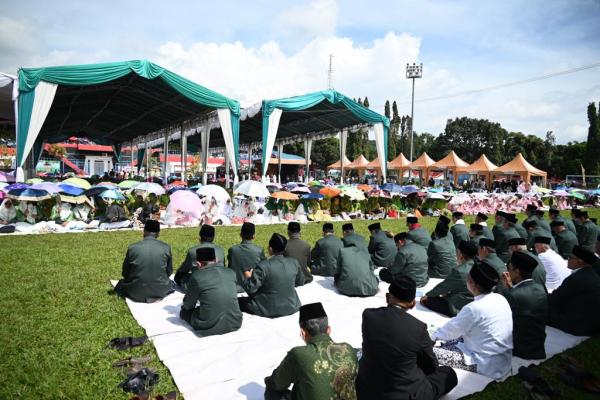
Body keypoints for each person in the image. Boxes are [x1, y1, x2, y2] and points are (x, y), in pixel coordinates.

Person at [357, 276, 458, 400]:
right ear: (412, 303)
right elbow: (431, 367)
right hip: (401, 394)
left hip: (366, 389)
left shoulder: (368, 315)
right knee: (448, 373)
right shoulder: (417, 328)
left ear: (387, 297)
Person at [432, 261, 513, 379]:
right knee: (453, 338)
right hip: (504, 362)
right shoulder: (500, 298)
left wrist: (432, 338)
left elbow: (450, 331)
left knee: (429, 351)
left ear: (472, 283)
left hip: (484, 364)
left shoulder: (473, 308)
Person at [264, 302, 358, 400]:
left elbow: (277, 383)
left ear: (303, 333)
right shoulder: (348, 349)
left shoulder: (299, 355)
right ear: (329, 330)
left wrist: (268, 381)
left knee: (272, 392)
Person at [179, 247, 243, 336]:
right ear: (216, 259)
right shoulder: (230, 272)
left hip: (208, 325)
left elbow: (188, 305)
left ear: (198, 264)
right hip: (236, 322)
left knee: (184, 312)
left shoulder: (197, 276)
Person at [239, 233, 303, 318]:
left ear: (270, 248)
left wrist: (248, 277)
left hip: (267, 308)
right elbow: (300, 281)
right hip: (292, 306)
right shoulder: (294, 262)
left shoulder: (263, 266)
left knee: (239, 301)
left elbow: (250, 288)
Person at [498, 252, 548, 360]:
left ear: (517, 272)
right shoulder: (540, 288)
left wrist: (506, 290)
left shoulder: (513, 295)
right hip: (538, 343)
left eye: (510, 269)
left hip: (520, 348)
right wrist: (510, 288)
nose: (508, 271)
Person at [115, 220, 174, 303]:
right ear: (158, 233)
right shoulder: (166, 247)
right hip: (161, 291)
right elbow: (169, 272)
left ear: (144, 231)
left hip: (135, 292)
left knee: (121, 284)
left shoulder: (133, 247)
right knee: (172, 283)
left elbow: (125, 273)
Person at [548, 246, 600, 336]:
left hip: (578, 325)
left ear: (580, 261)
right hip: (591, 322)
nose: (568, 260)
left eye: (570, 257)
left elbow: (555, 299)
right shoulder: (592, 274)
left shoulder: (576, 279)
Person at [420, 240, 477, 317]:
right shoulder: (478, 266)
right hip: (473, 303)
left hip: (458, 307)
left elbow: (442, 287)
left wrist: (428, 295)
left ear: (460, 255)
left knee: (425, 300)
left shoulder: (459, 271)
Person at [175, 224, 226, 292]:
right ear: (213, 237)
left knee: (179, 277)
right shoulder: (220, 250)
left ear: (200, 236)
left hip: (200, 284)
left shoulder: (193, 251)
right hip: (217, 282)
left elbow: (184, 270)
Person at [227, 222, 266, 292]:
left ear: (240, 235)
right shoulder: (259, 250)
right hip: (254, 288)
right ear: (254, 236)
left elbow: (230, 268)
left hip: (237, 288)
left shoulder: (233, 250)